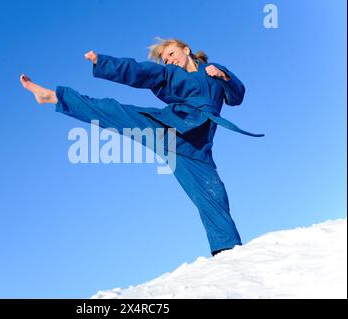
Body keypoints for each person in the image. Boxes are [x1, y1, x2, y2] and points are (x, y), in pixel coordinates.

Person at [20, 38, 264, 257]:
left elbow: (237, 96)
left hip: (197, 147)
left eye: (170, 54)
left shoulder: (214, 71)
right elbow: (141, 72)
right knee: (113, 111)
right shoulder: (170, 76)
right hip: (169, 129)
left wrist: (223, 77)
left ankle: (228, 253)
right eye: (165, 59)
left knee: (214, 193)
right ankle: (51, 96)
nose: (168, 60)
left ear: (185, 49)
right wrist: (103, 62)